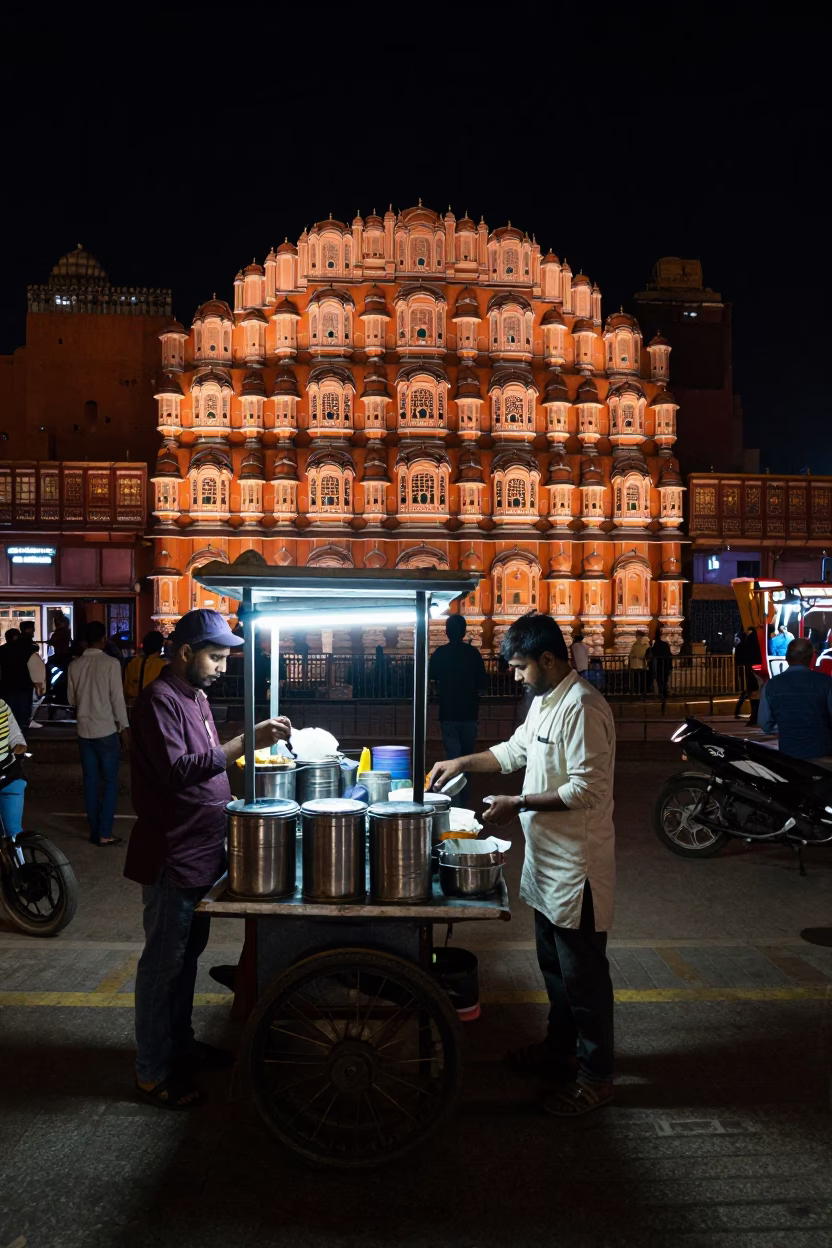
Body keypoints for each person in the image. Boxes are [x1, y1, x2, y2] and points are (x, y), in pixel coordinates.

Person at [429, 613, 616, 1118]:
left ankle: (597, 1075)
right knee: (555, 970)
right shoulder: (544, 703)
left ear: (548, 660)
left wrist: (520, 803)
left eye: (520, 668)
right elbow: (515, 751)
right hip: (545, 863)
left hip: (578, 869)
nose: (515, 677)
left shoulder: (582, 707)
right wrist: (463, 762)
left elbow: (587, 788)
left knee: (584, 979)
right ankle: (560, 1053)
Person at [125, 609, 292, 1110]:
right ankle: (151, 1072)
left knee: (186, 960)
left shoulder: (195, 696)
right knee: (162, 965)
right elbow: (180, 771)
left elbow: (209, 759)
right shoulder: (158, 700)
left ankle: (180, 1043)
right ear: (184, 653)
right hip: (171, 855)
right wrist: (244, 744)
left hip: (201, 852)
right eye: (215, 657)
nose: (222, 667)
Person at [67, 621, 130, 847]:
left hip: (84, 731)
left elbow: (71, 700)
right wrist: (124, 727)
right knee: (111, 782)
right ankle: (105, 833)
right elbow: (117, 699)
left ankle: (95, 831)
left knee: (90, 782)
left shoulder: (74, 666)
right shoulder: (111, 663)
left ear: (85, 641)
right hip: (106, 730)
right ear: (104, 640)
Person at [428, 614, 489, 805]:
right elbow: (483, 684)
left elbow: (432, 681)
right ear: (464, 632)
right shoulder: (472, 654)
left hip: (448, 712)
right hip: (469, 712)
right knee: (467, 758)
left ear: (446, 632)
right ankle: (465, 797)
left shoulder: (440, 653)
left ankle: (455, 800)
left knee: (453, 757)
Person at [758, 637, 832, 764]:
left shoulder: (771, 685)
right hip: (823, 755)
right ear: (811, 659)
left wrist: (786, 728)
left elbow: (765, 724)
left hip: (788, 756)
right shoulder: (826, 683)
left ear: (787, 658)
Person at [0, 697, 28, 839]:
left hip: (10, 776)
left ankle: (17, 858)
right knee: (13, 833)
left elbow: (15, 735)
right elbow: (15, 734)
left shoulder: (2, 706)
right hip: (10, 777)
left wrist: (18, 744)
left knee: (14, 833)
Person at [0, 629, 36, 734]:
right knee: (23, 718)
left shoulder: (1, 650)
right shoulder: (26, 650)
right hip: (23, 686)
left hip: (6, 687)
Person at [124, 631, 167, 704]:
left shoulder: (133, 663)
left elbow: (126, 687)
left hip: (133, 706)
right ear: (159, 646)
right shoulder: (162, 665)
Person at [651, 627, 673, 711]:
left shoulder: (656, 646)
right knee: (664, 681)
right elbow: (669, 655)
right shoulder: (665, 645)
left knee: (661, 681)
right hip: (666, 665)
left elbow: (653, 655)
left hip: (660, 666)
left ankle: (663, 695)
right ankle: (664, 695)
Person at [628, 630, 650, 697]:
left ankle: (637, 692)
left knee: (637, 679)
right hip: (643, 664)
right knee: (642, 678)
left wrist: (632, 656)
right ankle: (641, 691)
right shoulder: (646, 643)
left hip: (636, 664)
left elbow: (636, 653)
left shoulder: (638, 643)